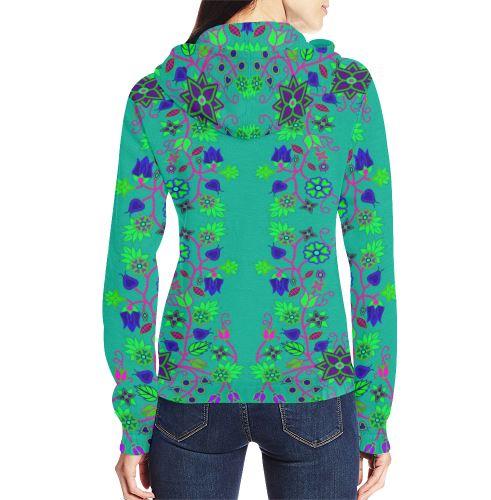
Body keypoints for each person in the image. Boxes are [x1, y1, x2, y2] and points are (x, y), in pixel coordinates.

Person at [102, 1, 397, 498]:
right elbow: (372, 265)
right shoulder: (346, 90)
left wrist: (136, 419)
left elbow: (130, 269)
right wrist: (372, 415)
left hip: (192, 382)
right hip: (314, 379)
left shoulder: (158, 96)